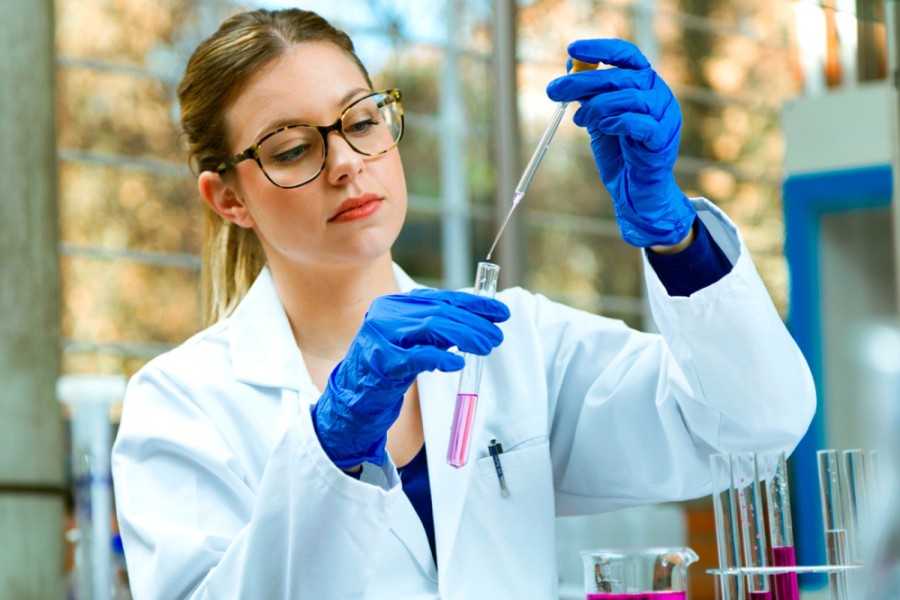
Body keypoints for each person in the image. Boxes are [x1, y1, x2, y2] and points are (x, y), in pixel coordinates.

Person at [111, 8, 816, 599]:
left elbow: (749, 431)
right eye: (292, 148)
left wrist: (678, 239)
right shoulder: (181, 406)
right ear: (228, 197)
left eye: (361, 121)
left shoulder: (513, 343)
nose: (346, 163)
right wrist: (329, 449)